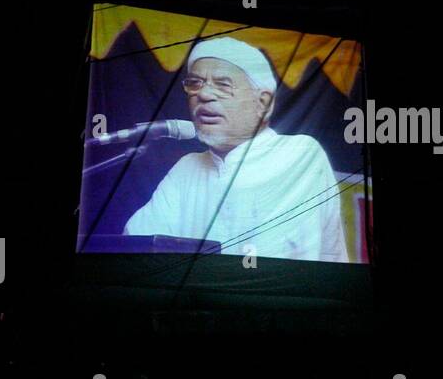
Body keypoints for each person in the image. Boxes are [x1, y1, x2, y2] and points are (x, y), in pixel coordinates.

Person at [123, 37, 349, 262]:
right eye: (195, 83)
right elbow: (136, 244)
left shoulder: (298, 153)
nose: (203, 95)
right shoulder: (187, 168)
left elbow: (278, 261)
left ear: (263, 103)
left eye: (223, 85)